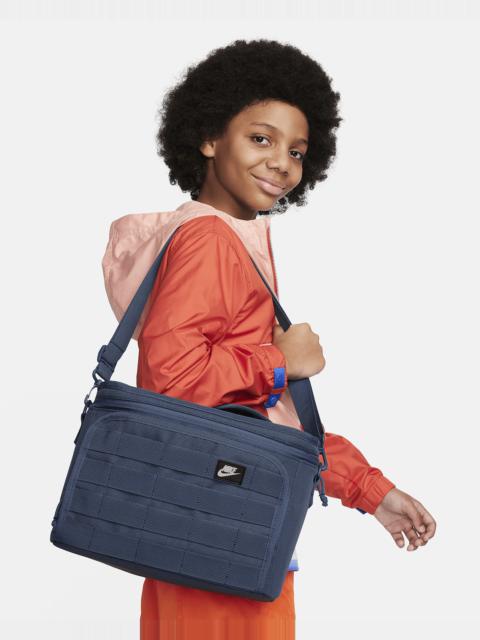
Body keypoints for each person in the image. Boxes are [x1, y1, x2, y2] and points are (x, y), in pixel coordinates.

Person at [101, 38, 436, 640]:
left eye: (297, 151)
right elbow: (174, 383)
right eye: (261, 138)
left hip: (214, 524)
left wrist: (368, 489)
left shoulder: (227, 241)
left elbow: (256, 421)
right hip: (220, 532)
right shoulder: (209, 241)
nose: (282, 162)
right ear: (209, 137)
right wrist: (278, 359)